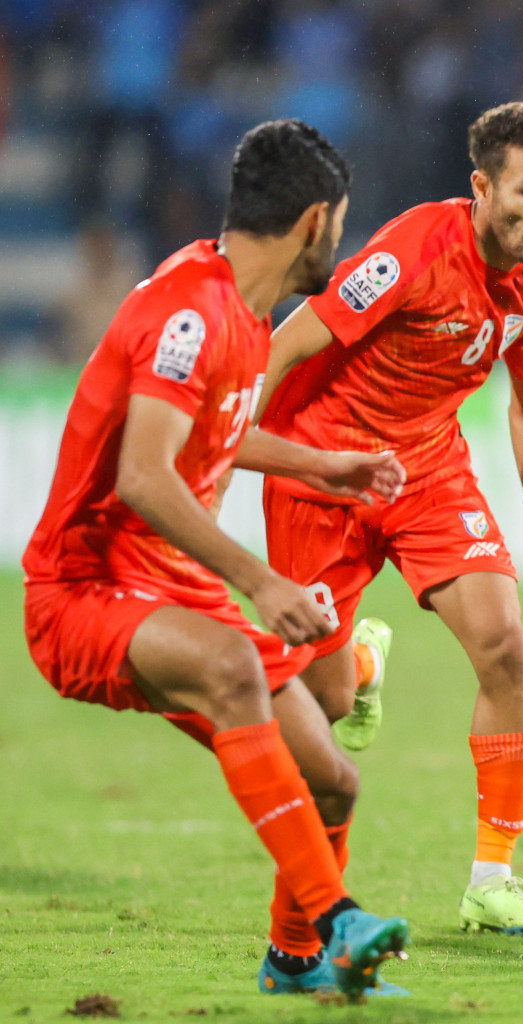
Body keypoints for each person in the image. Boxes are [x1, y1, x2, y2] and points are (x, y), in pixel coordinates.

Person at [22, 119, 411, 996]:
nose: (339, 245)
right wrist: (260, 578)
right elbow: (144, 477)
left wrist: (323, 465)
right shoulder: (189, 311)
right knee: (237, 663)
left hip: (175, 588)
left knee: (334, 781)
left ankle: (297, 959)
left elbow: (218, 433)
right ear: (317, 221)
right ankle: (343, 920)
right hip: (83, 591)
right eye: (341, 227)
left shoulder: (240, 306)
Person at [258, 101, 523, 937]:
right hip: (320, 472)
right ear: (482, 187)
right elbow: (293, 340)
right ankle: (360, 670)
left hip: (426, 471)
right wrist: (232, 436)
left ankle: (493, 878)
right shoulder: (413, 248)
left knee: (505, 647)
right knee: (325, 703)